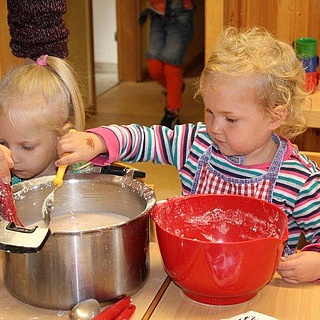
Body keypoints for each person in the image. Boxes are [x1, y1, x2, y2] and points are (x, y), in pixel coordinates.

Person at [30, 27, 320, 283]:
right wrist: (98, 141)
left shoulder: (300, 179)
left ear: (275, 117)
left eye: (230, 119)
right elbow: (146, 139)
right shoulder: (197, 142)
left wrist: (316, 263)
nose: (215, 128)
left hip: (260, 292)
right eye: (209, 111)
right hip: (192, 276)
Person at [0, 54, 85, 185]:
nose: (13, 158)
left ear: (62, 136)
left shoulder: (85, 174)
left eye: (26, 147)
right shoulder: (4, 177)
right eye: (3, 143)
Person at [139, 0, 195, 128]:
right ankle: (176, 88)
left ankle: (172, 112)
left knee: (171, 64)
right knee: (154, 66)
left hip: (180, 17)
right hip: (157, 15)